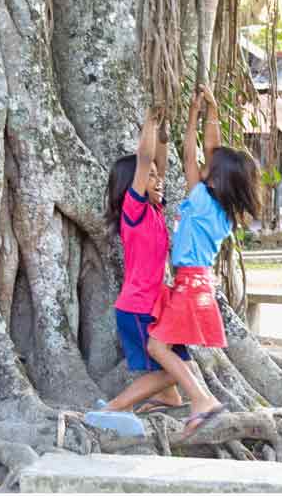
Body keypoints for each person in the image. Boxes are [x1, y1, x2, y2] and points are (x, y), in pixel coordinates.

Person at [100, 84, 262, 437]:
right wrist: (203, 114)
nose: (203, 163)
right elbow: (167, 159)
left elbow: (185, 155)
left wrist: (175, 121)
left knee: (159, 350)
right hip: (190, 287)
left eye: (209, 166)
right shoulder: (217, 209)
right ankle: (174, 396)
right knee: (169, 357)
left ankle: (200, 401)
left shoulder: (200, 199)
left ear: (215, 178)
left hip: (186, 287)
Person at [103, 107, 192, 413]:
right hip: (139, 306)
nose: (158, 180)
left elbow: (158, 164)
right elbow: (144, 160)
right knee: (169, 368)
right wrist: (150, 123)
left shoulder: (154, 210)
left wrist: (164, 131)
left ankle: (168, 398)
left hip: (156, 304)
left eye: (157, 175)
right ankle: (112, 408)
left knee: (175, 364)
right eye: (150, 177)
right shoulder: (135, 211)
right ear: (134, 184)